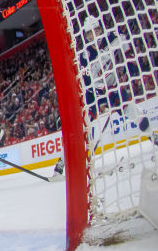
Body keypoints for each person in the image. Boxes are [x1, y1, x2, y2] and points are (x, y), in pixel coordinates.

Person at [51, 15, 155, 181]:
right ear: (86, 36)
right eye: (90, 33)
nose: (94, 35)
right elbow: (84, 81)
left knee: (133, 110)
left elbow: (125, 44)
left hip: (113, 88)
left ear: (100, 29)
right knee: (83, 129)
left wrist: (129, 56)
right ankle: (60, 166)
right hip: (93, 94)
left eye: (96, 30)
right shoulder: (84, 55)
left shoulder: (111, 38)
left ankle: (153, 138)